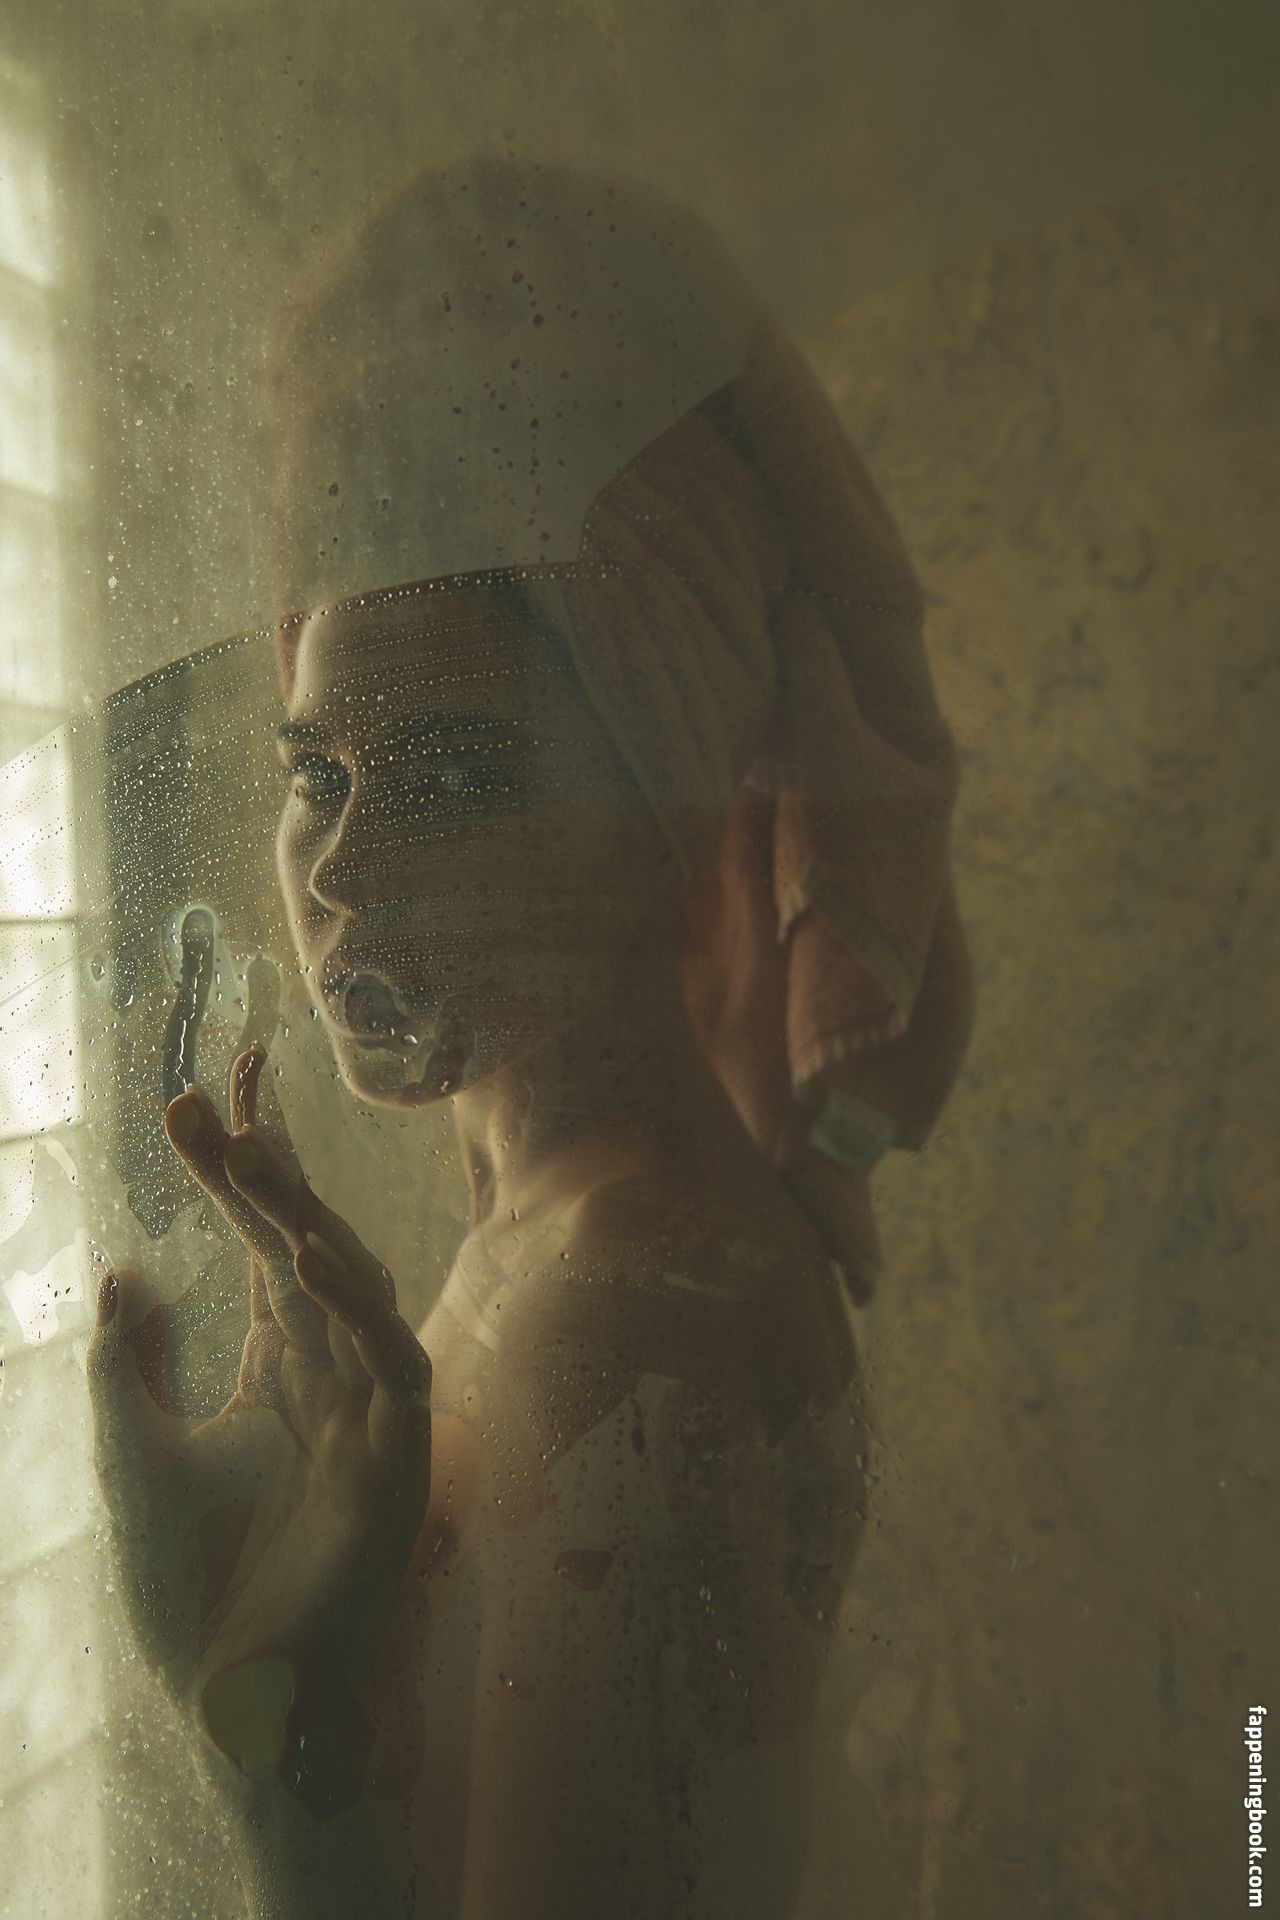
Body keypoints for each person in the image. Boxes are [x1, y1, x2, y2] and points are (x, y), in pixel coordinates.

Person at [86, 155, 972, 1918]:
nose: (342, 866)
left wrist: (271, 1761)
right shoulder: (567, 1245)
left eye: (459, 774)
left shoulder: (633, 1315)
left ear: (658, 807)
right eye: (318, 772)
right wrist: (274, 1670)